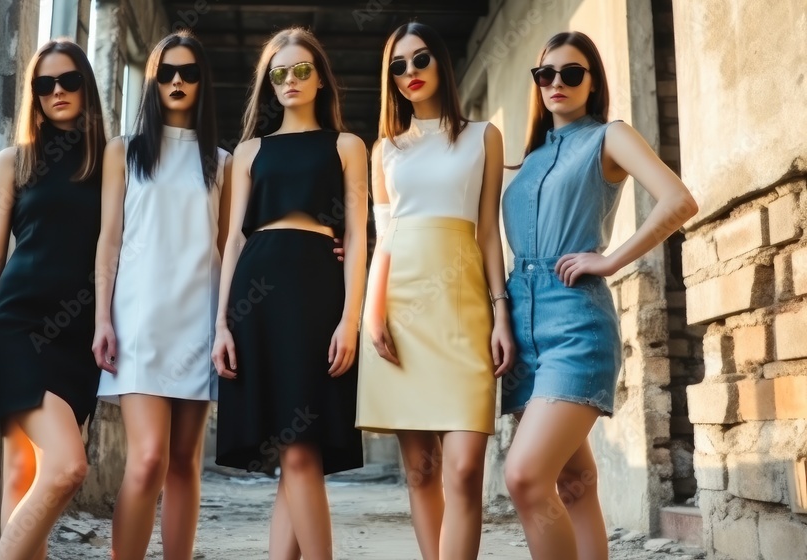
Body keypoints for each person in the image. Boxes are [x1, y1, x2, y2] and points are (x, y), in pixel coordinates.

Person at [500, 31, 698, 560]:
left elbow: (678, 199)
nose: (557, 83)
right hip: (521, 328)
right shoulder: (528, 157)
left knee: (523, 478)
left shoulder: (609, 136)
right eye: (546, 74)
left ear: (592, 82)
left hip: (575, 325)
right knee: (575, 484)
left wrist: (609, 259)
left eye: (572, 73)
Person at [355, 22, 514, 559]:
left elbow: (489, 231)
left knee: (465, 468)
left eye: (419, 60)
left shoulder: (484, 137)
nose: (409, 73)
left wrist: (501, 313)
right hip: (399, 304)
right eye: (397, 66)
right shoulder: (385, 150)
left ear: (441, 64)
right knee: (421, 473)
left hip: (465, 306)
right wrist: (371, 312)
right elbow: (384, 237)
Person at [211, 27, 368, 560]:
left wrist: (352, 319)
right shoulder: (249, 151)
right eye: (280, 73)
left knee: (301, 451)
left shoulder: (348, 146)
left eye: (302, 70)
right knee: (290, 454)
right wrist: (221, 325)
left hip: (317, 297)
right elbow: (232, 239)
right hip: (256, 299)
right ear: (269, 84)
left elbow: (359, 237)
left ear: (321, 79)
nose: (291, 80)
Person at [0, 39, 107, 560]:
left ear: (86, 87)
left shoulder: (107, 161)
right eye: (44, 84)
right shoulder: (12, 161)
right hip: (17, 323)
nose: (57, 92)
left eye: (68, 80)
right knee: (66, 468)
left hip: (77, 334)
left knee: (25, 475)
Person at [89, 30, 230, 560]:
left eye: (189, 72)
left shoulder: (222, 161)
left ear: (202, 83)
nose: (177, 81)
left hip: (197, 322)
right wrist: (102, 319)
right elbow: (108, 242)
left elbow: (230, 244)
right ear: (152, 82)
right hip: (138, 322)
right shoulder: (123, 152)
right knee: (147, 459)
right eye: (166, 72)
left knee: (184, 463)